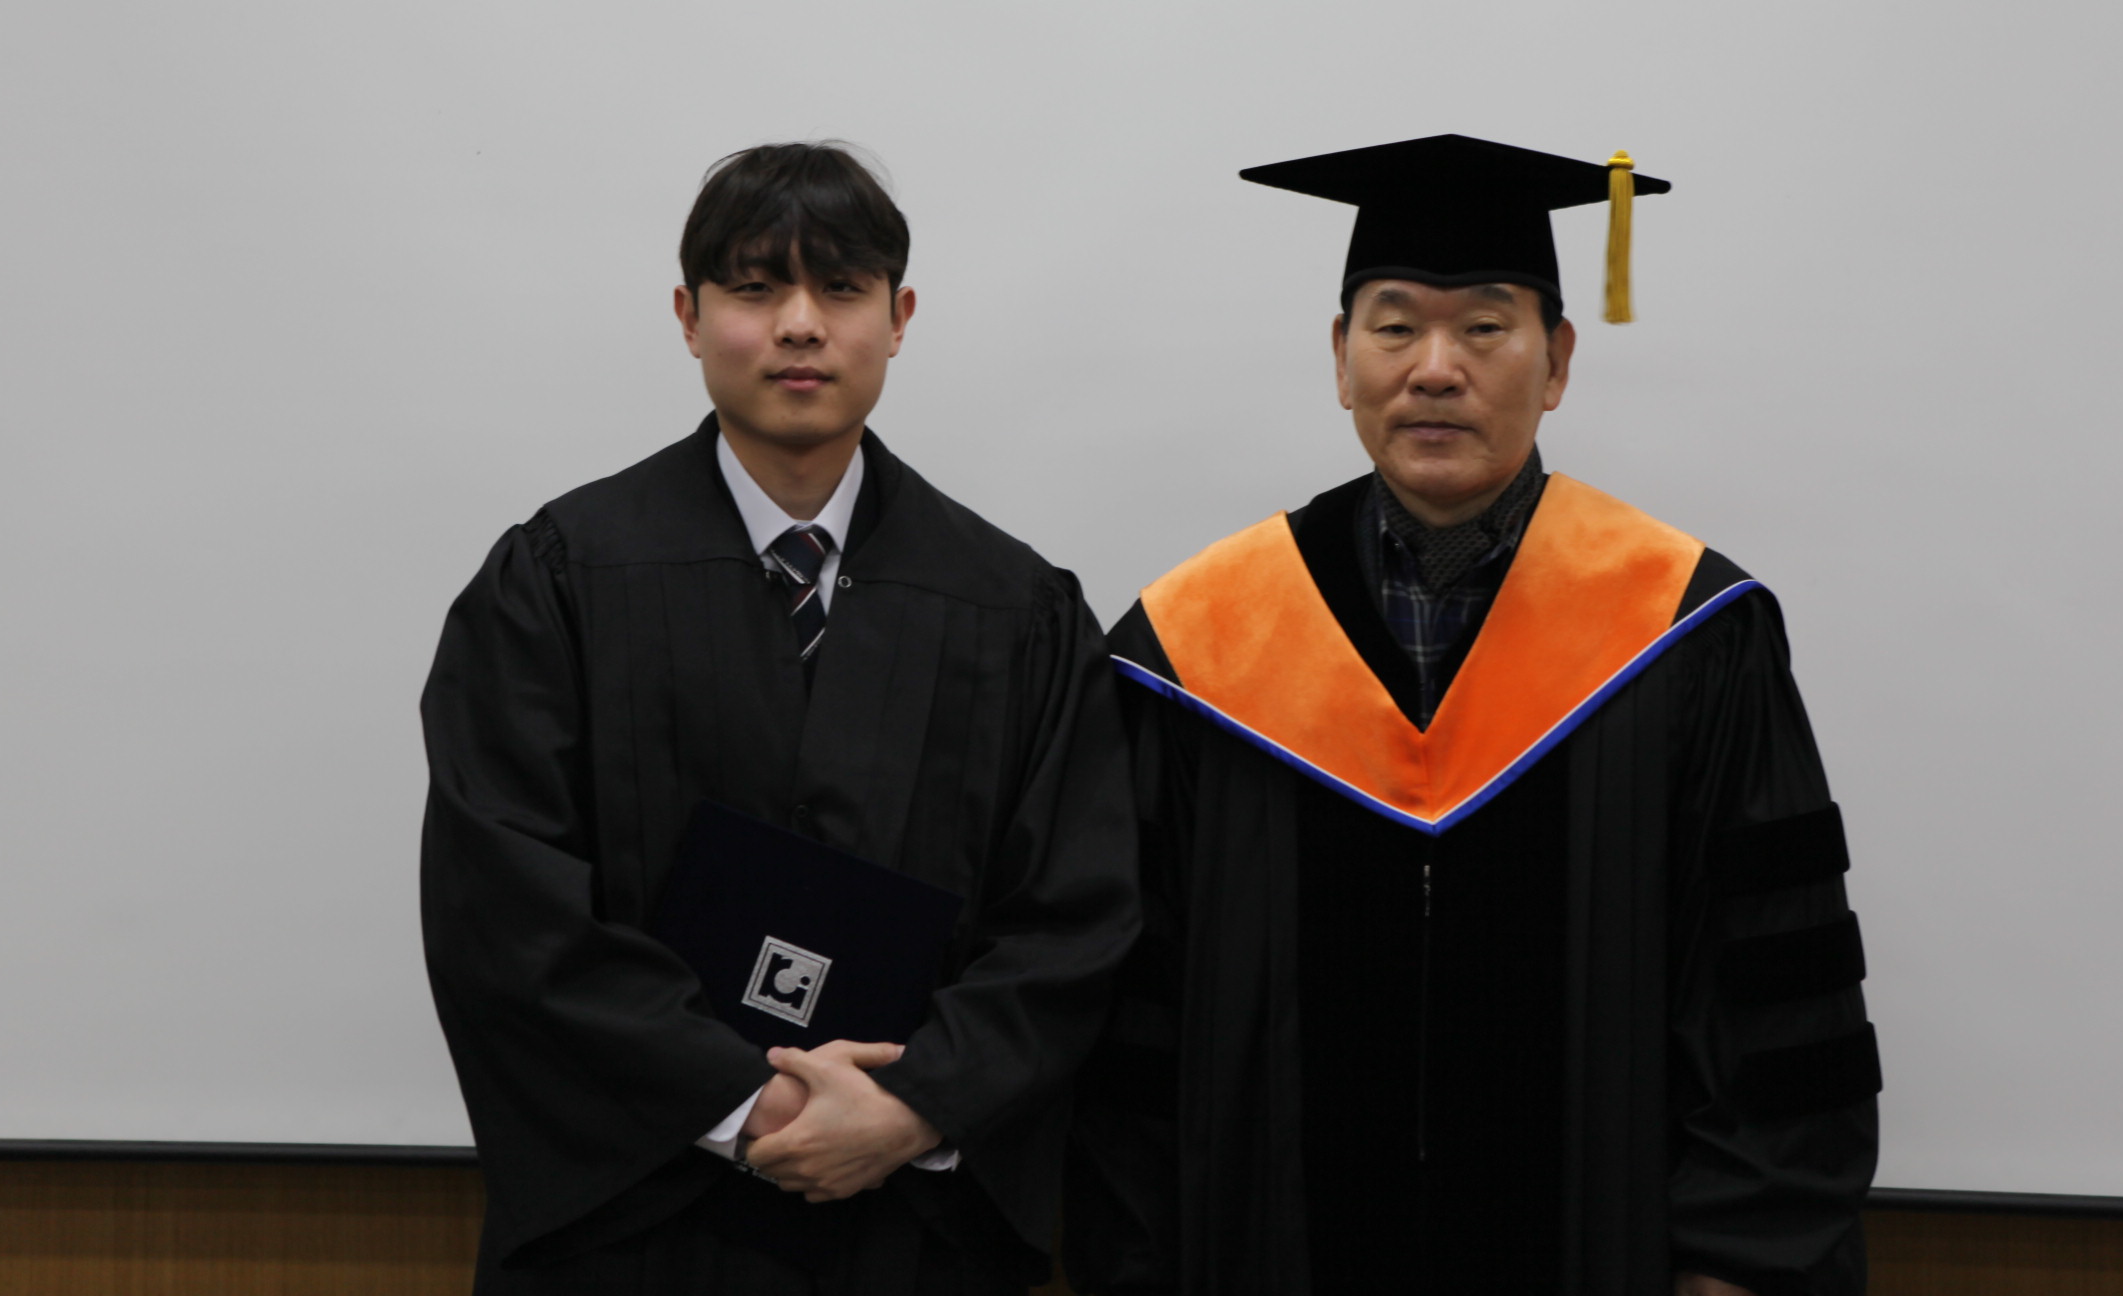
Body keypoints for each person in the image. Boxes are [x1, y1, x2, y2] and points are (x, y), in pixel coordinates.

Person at [1065, 134, 1878, 1296]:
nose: (1436, 368)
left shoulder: (1689, 630)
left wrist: (1740, 1265)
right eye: (1395, 326)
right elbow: (1127, 1024)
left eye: (1486, 327)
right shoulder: (1195, 647)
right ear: (1340, 358)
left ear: (1557, 362)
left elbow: (1773, 1002)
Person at [421, 141, 1139, 1295]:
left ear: (899, 318)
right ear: (689, 315)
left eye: (842, 287)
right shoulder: (557, 580)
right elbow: (504, 905)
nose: (801, 324)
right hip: (632, 1231)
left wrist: (912, 1104)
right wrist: (744, 1102)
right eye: (756, 287)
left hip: (911, 1229)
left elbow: (1074, 919)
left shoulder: (1017, 608)